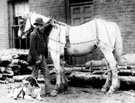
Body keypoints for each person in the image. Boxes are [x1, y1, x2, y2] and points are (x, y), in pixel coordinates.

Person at [28, 17, 57, 97]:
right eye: (40, 26)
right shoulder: (33, 34)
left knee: (47, 73)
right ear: (36, 26)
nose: (41, 27)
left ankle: (48, 92)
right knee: (34, 75)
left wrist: (51, 24)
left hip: (42, 56)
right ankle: (28, 92)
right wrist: (37, 59)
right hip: (36, 58)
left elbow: (46, 28)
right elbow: (32, 49)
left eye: (42, 25)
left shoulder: (42, 32)